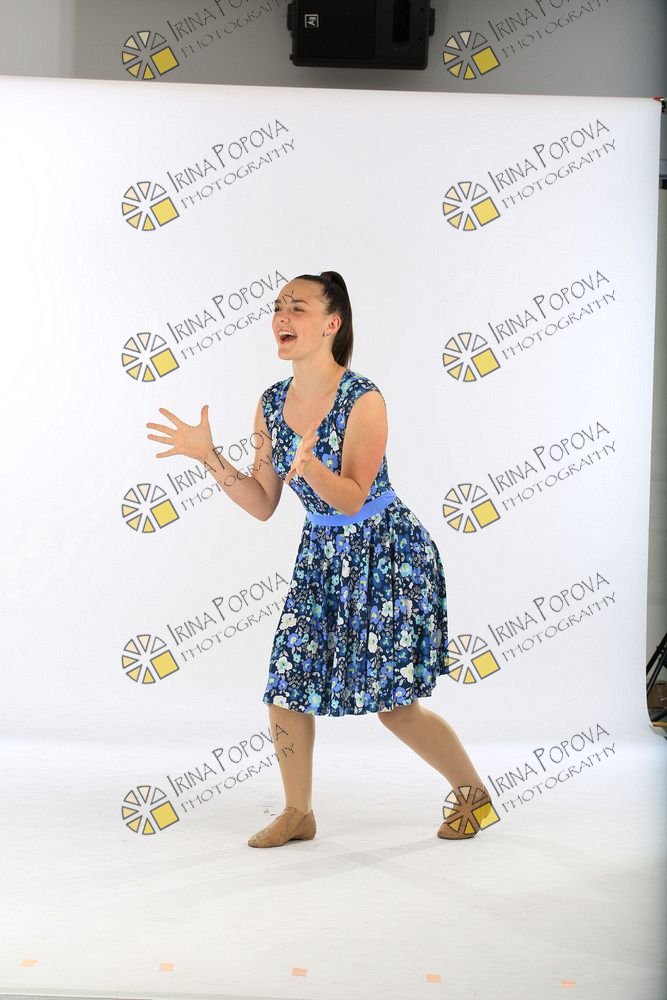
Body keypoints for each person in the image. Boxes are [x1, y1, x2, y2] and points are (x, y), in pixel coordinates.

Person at [146, 270, 495, 847]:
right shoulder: (270, 403)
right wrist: (209, 457)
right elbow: (262, 503)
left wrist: (309, 468)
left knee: (395, 707)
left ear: (332, 323)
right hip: (322, 555)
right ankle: (298, 813)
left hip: (387, 554)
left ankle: (473, 794)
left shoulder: (364, 399)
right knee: (286, 684)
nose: (282, 316)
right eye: (278, 306)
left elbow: (355, 496)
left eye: (298, 307)